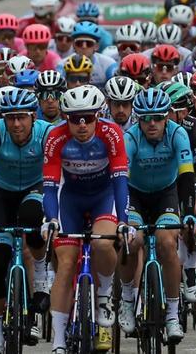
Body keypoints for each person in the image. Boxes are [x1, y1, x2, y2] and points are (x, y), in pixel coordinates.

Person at [41, 86, 130, 352]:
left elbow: (120, 181)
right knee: (66, 263)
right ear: (65, 117)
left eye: (88, 118)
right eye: (75, 118)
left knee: (104, 243)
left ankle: (103, 297)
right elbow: (49, 186)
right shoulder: (55, 138)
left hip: (104, 196)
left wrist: (123, 220)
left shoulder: (111, 133)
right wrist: (52, 219)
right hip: (72, 199)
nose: (81, 125)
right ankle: (58, 341)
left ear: (98, 115)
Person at [0, 87, 50, 353]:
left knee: (32, 217)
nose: (16, 124)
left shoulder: (45, 133)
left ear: (33, 117)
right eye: (10, 117)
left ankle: (40, 273)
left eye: (22, 117)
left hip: (33, 189)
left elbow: (54, 176)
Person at [118, 89, 196, 344]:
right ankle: (128, 301)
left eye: (158, 118)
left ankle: (173, 314)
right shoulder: (130, 137)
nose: (152, 124)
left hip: (167, 194)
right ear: (138, 119)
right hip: (136, 194)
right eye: (146, 118)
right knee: (132, 241)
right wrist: (121, 216)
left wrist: (187, 213)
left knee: (166, 243)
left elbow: (186, 176)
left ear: (167, 117)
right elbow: (121, 181)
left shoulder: (178, 134)